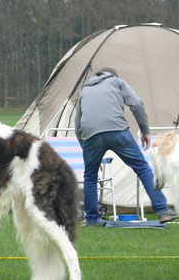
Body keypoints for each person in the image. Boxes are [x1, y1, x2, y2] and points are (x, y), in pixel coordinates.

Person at [75, 67, 179, 226]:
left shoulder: (85, 91)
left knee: (90, 176)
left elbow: (77, 126)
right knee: (142, 168)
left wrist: (87, 150)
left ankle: (92, 219)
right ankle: (162, 210)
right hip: (117, 131)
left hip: (91, 136)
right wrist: (145, 131)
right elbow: (136, 104)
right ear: (112, 76)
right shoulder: (117, 82)